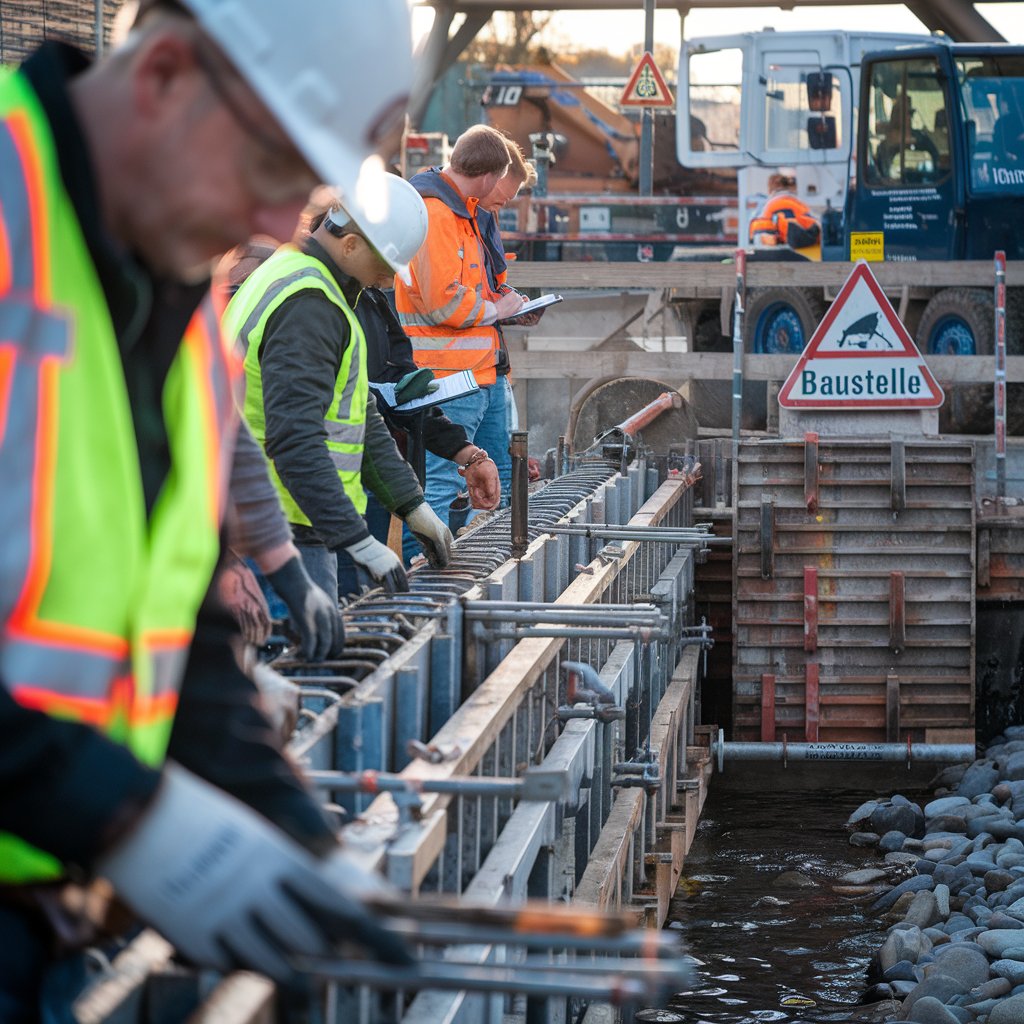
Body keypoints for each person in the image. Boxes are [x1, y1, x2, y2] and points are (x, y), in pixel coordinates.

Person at [0, 0, 418, 1012]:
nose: (282, 225)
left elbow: (175, 635)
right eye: (273, 174)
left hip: (44, 929)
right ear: (165, 78)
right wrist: (130, 814)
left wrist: (299, 841)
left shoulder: (183, 315)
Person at [225, 174, 455, 602]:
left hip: (275, 522)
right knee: (301, 665)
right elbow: (294, 439)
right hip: (278, 534)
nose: (387, 282)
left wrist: (410, 505)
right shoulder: (309, 307)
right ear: (349, 245)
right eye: (385, 268)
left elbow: (355, 411)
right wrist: (358, 539)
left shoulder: (298, 276)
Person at [395, 124, 526, 533]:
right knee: (439, 486)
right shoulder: (436, 212)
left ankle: (483, 574)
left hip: (479, 374)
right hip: (449, 378)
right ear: (489, 176)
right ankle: (434, 584)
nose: (498, 204)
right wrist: (497, 309)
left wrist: (503, 304)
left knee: (494, 481)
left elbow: (470, 287)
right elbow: (441, 302)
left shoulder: (464, 213)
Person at [748, 171, 821, 258]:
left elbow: (756, 241)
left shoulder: (765, 209)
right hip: (805, 257)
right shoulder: (801, 206)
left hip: (773, 257)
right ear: (792, 188)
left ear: (770, 189)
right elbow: (818, 229)